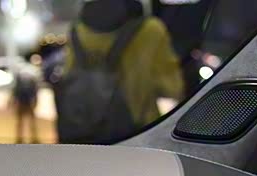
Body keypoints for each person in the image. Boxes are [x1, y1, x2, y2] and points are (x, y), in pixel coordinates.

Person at [57, 0, 183, 143]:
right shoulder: (151, 30)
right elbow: (173, 88)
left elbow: (68, 75)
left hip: (83, 128)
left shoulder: (78, 29)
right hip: (140, 131)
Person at [11, 59, 41, 144]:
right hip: (29, 98)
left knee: (20, 120)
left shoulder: (20, 72)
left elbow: (16, 88)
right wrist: (35, 99)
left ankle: (19, 138)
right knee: (31, 120)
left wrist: (13, 99)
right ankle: (34, 138)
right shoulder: (33, 72)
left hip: (21, 98)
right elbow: (35, 88)